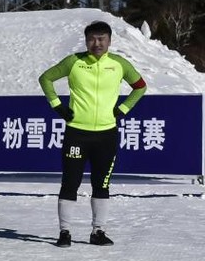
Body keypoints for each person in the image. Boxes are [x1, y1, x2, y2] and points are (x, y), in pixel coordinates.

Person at [39, 20, 147, 247]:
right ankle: (65, 232)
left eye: (101, 39)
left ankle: (98, 232)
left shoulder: (119, 64)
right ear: (86, 40)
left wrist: (123, 109)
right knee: (70, 183)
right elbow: (46, 78)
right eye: (92, 39)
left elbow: (140, 86)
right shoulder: (74, 62)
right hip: (77, 133)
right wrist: (57, 106)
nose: (96, 43)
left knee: (102, 184)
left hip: (106, 135)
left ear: (109, 40)